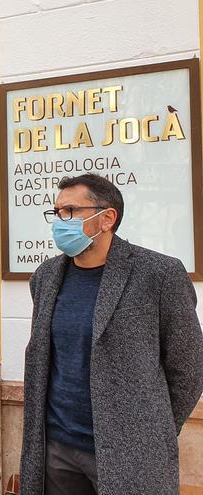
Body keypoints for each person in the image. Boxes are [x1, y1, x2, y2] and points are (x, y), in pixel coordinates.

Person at [20, 173, 203, 495]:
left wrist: (151, 429)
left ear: (106, 218)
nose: (60, 221)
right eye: (57, 212)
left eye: (71, 211)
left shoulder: (159, 273)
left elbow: (188, 365)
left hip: (130, 450)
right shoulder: (46, 276)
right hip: (57, 446)